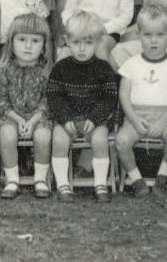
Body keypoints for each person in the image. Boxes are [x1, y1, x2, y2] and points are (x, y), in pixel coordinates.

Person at [47, 11, 119, 203]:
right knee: (59, 139)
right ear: (67, 41)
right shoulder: (60, 68)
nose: (82, 48)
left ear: (97, 43)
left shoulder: (104, 69)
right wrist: (65, 118)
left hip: (93, 120)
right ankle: (63, 184)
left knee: (100, 140)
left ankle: (100, 183)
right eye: (77, 42)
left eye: (88, 43)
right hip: (68, 119)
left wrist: (95, 119)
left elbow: (109, 99)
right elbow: (54, 97)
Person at [116, 5, 167, 198]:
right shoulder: (131, 64)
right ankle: (136, 179)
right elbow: (124, 95)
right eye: (147, 35)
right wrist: (134, 120)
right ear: (138, 35)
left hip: (165, 119)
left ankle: (163, 176)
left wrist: (163, 121)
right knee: (121, 141)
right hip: (136, 118)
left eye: (160, 35)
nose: (153, 41)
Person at [0, 13, 54, 199]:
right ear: (11, 43)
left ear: (44, 46)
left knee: (43, 136)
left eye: (35, 41)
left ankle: (40, 179)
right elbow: (1, 99)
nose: (28, 46)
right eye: (22, 39)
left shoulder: (48, 70)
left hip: (40, 117)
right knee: (7, 134)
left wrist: (35, 119)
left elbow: (49, 100)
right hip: (11, 117)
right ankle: (12, 180)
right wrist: (18, 119)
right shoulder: (3, 69)